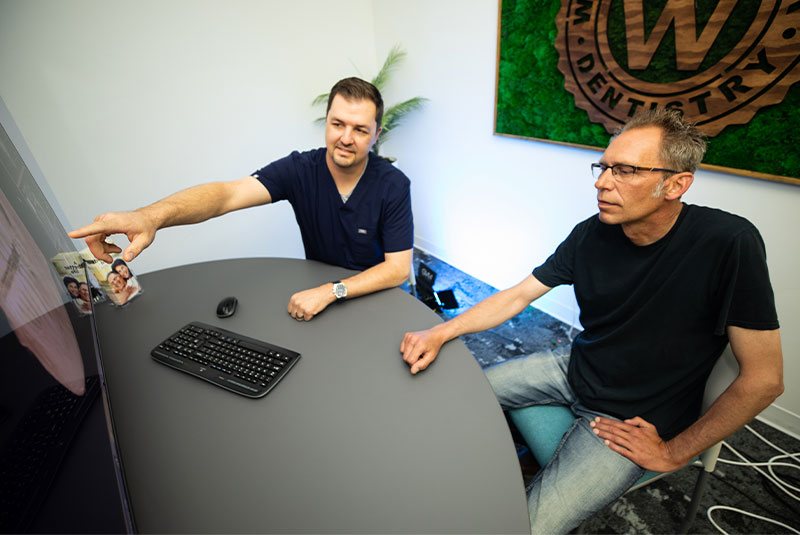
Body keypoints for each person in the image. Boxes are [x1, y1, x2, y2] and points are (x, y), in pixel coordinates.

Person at [399, 109, 783, 533]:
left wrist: (674, 452)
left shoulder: (729, 242)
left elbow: (764, 379)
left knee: (529, 527)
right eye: (603, 167)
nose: (602, 182)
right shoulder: (591, 233)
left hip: (632, 420)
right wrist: (441, 330)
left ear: (675, 184)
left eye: (626, 171)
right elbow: (520, 294)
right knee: (449, 396)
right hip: (574, 366)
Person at [69, 77, 413, 321]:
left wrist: (332, 291)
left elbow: (397, 270)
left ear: (376, 134)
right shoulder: (299, 170)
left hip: (377, 299)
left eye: (360, 129)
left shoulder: (393, 185)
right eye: (338, 124)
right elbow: (225, 195)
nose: (346, 137)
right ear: (326, 122)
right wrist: (151, 216)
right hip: (321, 300)